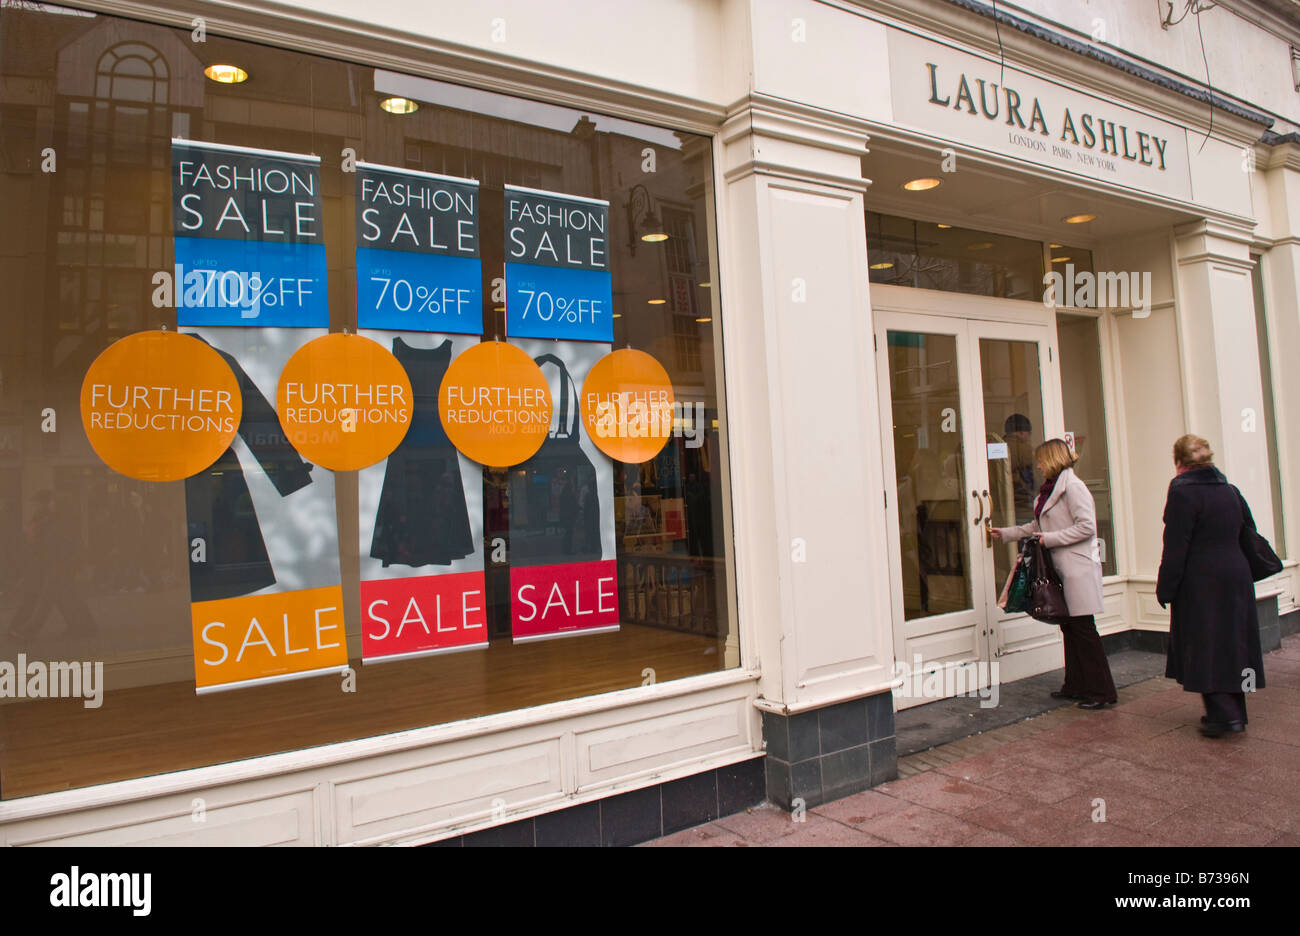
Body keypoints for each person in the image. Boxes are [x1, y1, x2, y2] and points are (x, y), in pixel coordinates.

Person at [992, 438, 1116, 709]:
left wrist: (1050, 539)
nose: (1037, 465)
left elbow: (1086, 527)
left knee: (1083, 630)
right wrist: (1005, 534)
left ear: (1052, 459)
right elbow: (1036, 526)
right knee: (1070, 629)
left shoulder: (1073, 487)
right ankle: (1075, 685)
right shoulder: (1049, 491)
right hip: (1061, 569)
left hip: (1076, 569)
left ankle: (1101, 691)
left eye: (1040, 459)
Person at [1156, 434, 1265, 737]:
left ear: (1179, 462)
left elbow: (1176, 546)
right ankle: (1237, 712)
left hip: (1201, 580)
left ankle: (1223, 716)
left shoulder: (1182, 492)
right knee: (1235, 643)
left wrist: (1165, 587)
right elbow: (1248, 530)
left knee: (1205, 644)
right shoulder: (1229, 490)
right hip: (1236, 575)